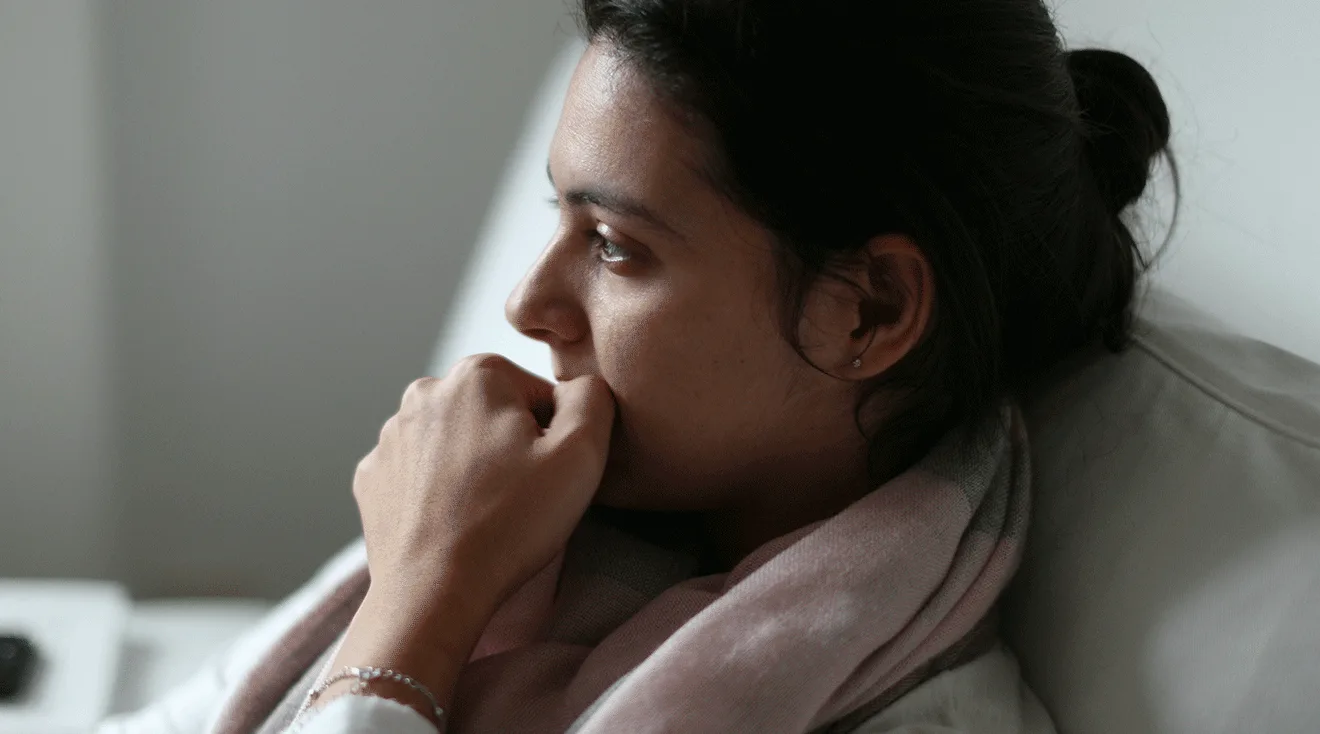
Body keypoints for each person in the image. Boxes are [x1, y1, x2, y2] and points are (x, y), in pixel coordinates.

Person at [99, 0, 1174, 732]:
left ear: (870, 309)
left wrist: (419, 605)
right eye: (558, 219)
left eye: (614, 246)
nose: (528, 305)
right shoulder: (538, 526)